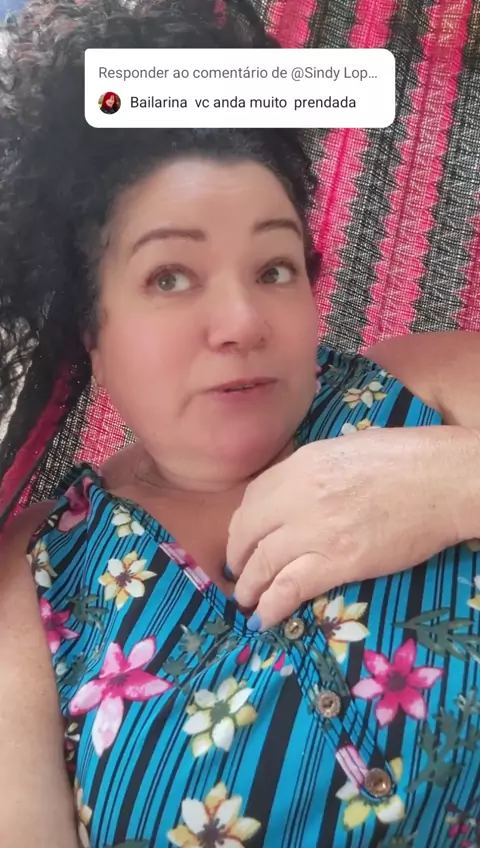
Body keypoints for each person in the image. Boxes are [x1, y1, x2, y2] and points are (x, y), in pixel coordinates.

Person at [0, 1, 479, 846]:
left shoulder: (427, 389)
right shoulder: (33, 582)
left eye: (273, 267)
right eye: (170, 276)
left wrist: (456, 481)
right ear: (91, 332)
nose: (243, 321)